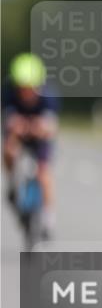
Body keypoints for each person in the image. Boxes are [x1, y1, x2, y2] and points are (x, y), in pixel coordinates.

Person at [2, 53, 59, 238]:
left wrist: (39, 127)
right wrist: (16, 125)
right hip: (17, 135)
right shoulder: (8, 92)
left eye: (30, 88)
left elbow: (51, 126)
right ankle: (12, 182)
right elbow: (9, 121)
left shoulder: (48, 96)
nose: (26, 92)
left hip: (39, 138)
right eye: (22, 87)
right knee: (9, 149)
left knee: (44, 173)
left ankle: (48, 219)